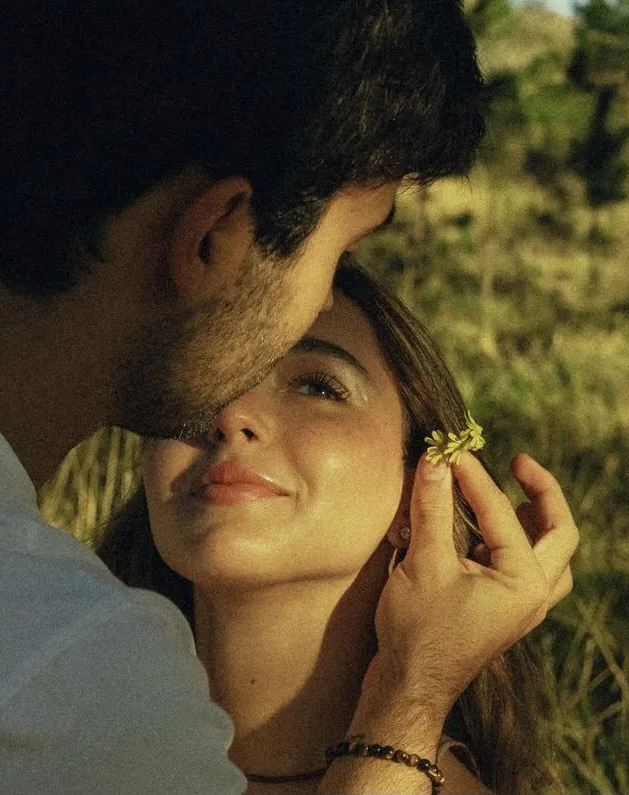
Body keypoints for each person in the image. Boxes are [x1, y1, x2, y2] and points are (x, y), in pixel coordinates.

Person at [0, 2, 509, 792]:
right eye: (340, 245)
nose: (234, 417)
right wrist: (409, 703)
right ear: (213, 235)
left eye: (318, 384)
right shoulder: (59, 670)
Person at [99, 260, 577, 794]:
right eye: (203, 372)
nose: (229, 414)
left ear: (420, 493)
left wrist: (413, 687)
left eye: (318, 387)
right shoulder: (41, 732)